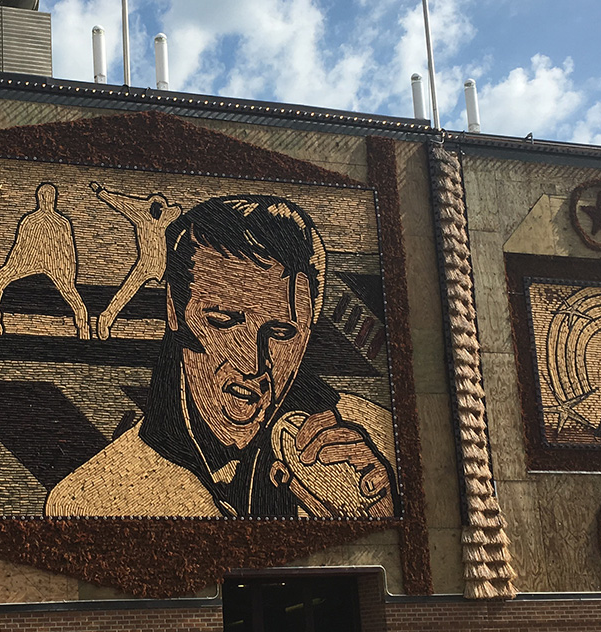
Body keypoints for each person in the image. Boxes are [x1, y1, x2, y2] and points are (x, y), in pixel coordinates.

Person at [47, 194, 399, 519]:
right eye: (223, 321)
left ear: (308, 335)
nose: (252, 363)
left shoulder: (378, 444)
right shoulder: (91, 501)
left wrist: (379, 514)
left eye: (281, 333)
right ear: (174, 308)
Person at [0, 182, 91, 339]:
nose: (46, 199)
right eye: (43, 196)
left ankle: (83, 327)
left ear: (53, 199)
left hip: (55, 263)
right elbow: (19, 247)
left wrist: (68, 275)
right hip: (30, 260)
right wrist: (10, 267)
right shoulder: (29, 220)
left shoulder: (61, 223)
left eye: (49, 196)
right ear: (39, 198)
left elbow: (68, 250)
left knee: (70, 292)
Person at [90, 182, 183, 339]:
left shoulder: (165, 218)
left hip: (164, 265)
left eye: (160, 207)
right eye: (154, 206)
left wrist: (159, 206)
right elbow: (120, 203)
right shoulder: (140, 217)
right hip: (146, 263)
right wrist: (102, 192)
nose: (157, 210)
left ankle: (184, 325)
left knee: (182, 290)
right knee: (127, 291)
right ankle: (106, 318)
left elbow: (178, 210)